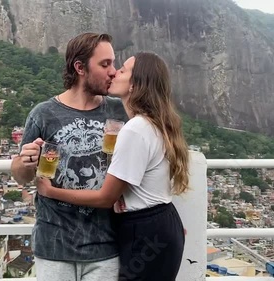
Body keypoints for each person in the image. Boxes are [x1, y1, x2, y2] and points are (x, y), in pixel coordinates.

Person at [36, 52, 189, 281]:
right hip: (158, 224)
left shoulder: (135, 129)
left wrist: (50, 191)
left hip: (145, 230)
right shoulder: (151, 123)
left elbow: (105, 198)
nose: (115, 72)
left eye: (123, 70)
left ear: (135, 85)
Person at [10, 32, 128, 281]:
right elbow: (21, 176)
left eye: (114, 63)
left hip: (106, 246)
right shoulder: (44, 114)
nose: (113, 72)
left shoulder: (119, 111)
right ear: (80, 67)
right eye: (105, 64)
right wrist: (26, 161)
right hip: (54, 246)